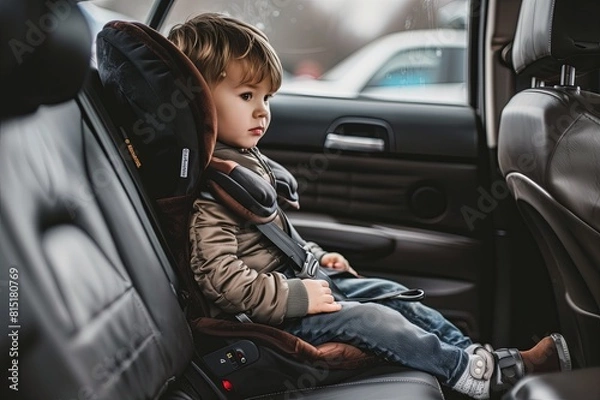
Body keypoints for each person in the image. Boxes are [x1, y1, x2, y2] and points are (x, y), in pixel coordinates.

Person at [168, 13, 571, 399]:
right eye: (246, 96)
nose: (262, 110)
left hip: (294, 286)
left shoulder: (242, 162)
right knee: (374, 319)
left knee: (393, 296)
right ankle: (474, 375)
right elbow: (219, 280)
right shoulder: (210, 188)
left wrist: (317, 258)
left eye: (267, 97)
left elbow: (273, 240)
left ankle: (474, 361)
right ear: (199, 102)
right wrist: (296, 297)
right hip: (268, 317)